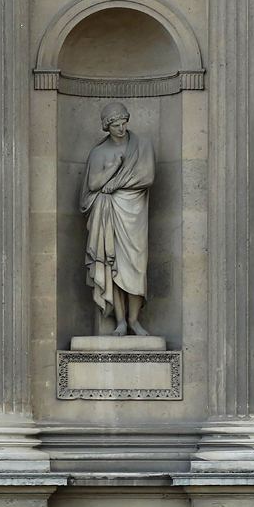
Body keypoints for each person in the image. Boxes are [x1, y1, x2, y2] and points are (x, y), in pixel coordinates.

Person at [80, 102, 155, 336]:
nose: (121, 128)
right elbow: (92, 185)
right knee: (112, 265)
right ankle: (121, 321)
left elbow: (147, 176)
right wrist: (112, 170)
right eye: (115, 125)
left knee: (135, 265)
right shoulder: (99, 153)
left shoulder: (142, 145)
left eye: (123, 123)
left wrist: (117, 183)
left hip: (134, 214)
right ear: (106, 127)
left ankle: (134, 320)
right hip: (109, 213)